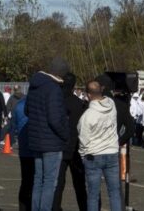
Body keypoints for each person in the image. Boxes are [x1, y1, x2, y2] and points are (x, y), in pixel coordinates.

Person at [26, 59, 71, 211]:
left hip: (36, 139)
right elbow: (55, 119)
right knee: (50, 182)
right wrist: (66, 134)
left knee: (38, 180)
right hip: (51, 141)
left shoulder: (34, 86)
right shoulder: (54, 89)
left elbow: (27, 110)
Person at [78, 80, 122, 211]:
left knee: (93, 194)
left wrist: (82, 155)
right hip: (112, 152)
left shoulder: (87, 115)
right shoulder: (111, 104)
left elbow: (83, 139)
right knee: (114, 192)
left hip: (93, 155)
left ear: (88, 95)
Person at [53, 73, 87, 211]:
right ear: (73, 86)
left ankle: (55, 207)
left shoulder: (55, 101)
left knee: (58, 184)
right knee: (80, 184)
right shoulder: (79, 104)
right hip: (76, 147)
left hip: (59, 147)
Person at [11, 90, 35, 211]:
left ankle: (23, 207)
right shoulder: (39, 103)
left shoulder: (19, 105)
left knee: (25, 180)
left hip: (24, 147)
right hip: (37, 147)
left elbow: (14, 124)